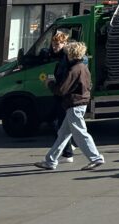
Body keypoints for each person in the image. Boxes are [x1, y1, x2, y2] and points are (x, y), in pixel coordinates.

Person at [34, 42, 105, 172]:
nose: (66, 55)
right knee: (63, 134)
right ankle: (50, 160)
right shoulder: (83, 67)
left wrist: (50, 83)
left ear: (71, 54)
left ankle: (96, 158)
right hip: (80, 103)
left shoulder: (73, 70)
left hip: (74, 104)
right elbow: (89, 85)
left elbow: (61, 90)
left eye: (67, 53)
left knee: (80, 133)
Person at [45, 31, 76, 163]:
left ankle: (67, 153)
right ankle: (69, 147)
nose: (54, 46)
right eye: (53, 44)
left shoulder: (65, 58)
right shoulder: (63, 56)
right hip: (62, 96)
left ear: (64, 44)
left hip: (63, 96)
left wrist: (51, 83)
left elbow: (64, 80)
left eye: (57, 44)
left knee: (60, 124)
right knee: (58, 122)